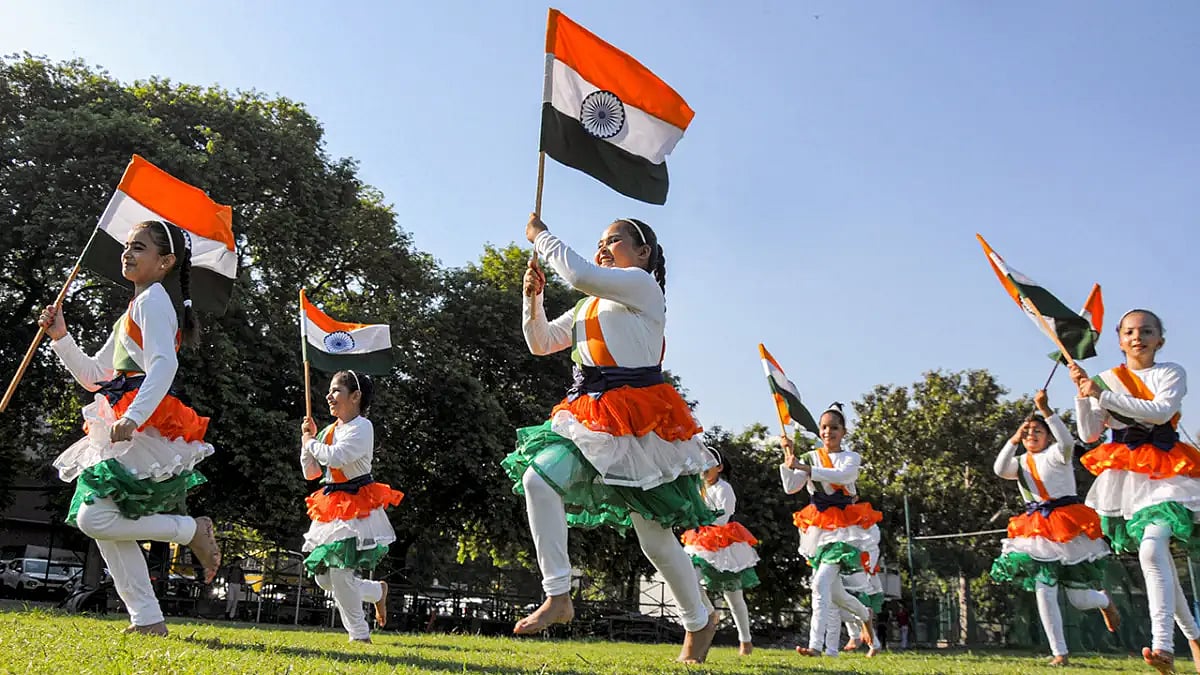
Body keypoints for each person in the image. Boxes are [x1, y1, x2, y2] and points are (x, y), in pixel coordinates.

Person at [503, 215, 719, 663]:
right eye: (599, 241)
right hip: (589, 416)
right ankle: (558, 594)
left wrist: (540, 237)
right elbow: (540, 342)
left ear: (643, 254)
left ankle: (699, 620)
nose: (603, 246)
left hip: (642, 423)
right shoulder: (587, 307)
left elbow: (579, 273)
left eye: (614, 240)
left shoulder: (641, 285)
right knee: (538, 481)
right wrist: (533, 298)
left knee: (654, 539)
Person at [40, 220, 220, 636]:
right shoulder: (133, 309)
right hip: (125, 418)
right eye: (127, 246)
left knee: (94, 518)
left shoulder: (153, 300)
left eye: (138, 247)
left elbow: (164, 365)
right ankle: (147, 619)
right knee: (106, 521)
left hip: (141, 423)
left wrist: (133, 417)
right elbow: (96, 376)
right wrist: (61, 336)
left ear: (165, 263)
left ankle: (191, 529)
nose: (127, 253)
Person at [1071, 309, 1200, 674]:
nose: (1137, 337)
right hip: (1126, 478)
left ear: (1160, 338)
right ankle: (1194, 637)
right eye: (1129, 331)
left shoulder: (1171, 372)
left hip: (1168, 470)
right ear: (1118, 338)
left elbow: (1160, 412)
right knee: (1156, 558)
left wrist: (1102, 394)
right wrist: (1083, 393)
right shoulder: (1106, 378)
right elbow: (1090, 435)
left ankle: (1163, 646)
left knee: (1151, 547)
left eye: (1146, 331)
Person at [989, 389, 1118, 667]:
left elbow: (1068, 441)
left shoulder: (1058, 454)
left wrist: (1046, 410)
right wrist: (1012, 439)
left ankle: (1103, 601)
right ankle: (1060, 652)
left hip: (1068, 524)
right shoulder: (1020, 463)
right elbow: (1000, 468)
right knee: (1043, 588)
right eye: (1027, 432)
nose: (1031, 435)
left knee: (1078, 598)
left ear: (1047, 435)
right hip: (1036, 529)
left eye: (1037, 431)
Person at [301, 370, 404, 643]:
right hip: (330, 505)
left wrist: (312, 443)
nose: (329, 396)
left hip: (356, 504)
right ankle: (375, 592)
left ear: (356, 396)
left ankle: (359, 636)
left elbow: (337, 458)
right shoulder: (328, 431)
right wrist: (307, 440)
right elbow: (310, 472)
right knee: (325, 578)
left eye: (336, 390)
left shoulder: (362, 427)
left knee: (340, 572)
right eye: (330, 391)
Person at [780, 403, 880, 657]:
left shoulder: (850, 457)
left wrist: (803, 467)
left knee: (820, 584)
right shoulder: (812, 457)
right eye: (824, 427)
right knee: (835, 594)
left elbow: (842, 476)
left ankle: (815, 645)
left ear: (843, 431)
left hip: (844, 530)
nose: (828, 432)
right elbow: (791, 487)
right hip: (818, 529)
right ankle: (862, 618)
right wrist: (788, 457)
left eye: (834, 427)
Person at [681, 448, 760, 656]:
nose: (704, 469)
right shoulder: (698, 489)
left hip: (725, 546)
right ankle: (709, 614)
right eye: (702, 464)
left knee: (734, 596)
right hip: (700, 542)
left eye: (709, 464)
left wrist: (700, 519)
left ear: (719, 467)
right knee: (691, 579)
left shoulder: (725, 489)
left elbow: (722, 519)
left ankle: (746, 641)